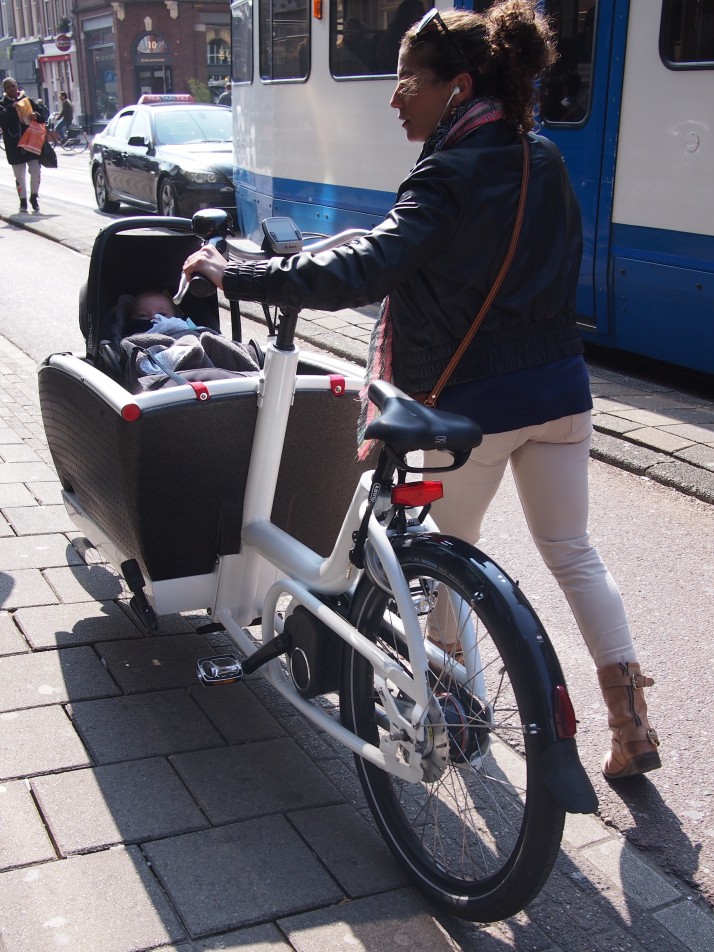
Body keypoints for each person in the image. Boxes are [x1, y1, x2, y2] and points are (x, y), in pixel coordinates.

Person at [182, 1, 661, 781]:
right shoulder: (543, 157)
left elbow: (363, 270)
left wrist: (239, 272)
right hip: (562, 393)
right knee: (573, 552)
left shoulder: (450, 170)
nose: (394, 97)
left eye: (409, 81)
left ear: (459, 85)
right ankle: (629, 721)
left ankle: (454, 706)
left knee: (438, 558)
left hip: (472, 405)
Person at [0, 76, 47, 213]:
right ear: (4, 90)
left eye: (13, 86)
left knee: (36, 171)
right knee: (19, 175)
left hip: (31, 142)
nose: (11, 89)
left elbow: (42, 114)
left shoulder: (26, 100)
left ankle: (34, 196)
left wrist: (36, 115)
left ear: (17, 86)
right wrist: (11, 108)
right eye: (8, 87)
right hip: (14, 145)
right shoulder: (3, 104)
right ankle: (23, 201)